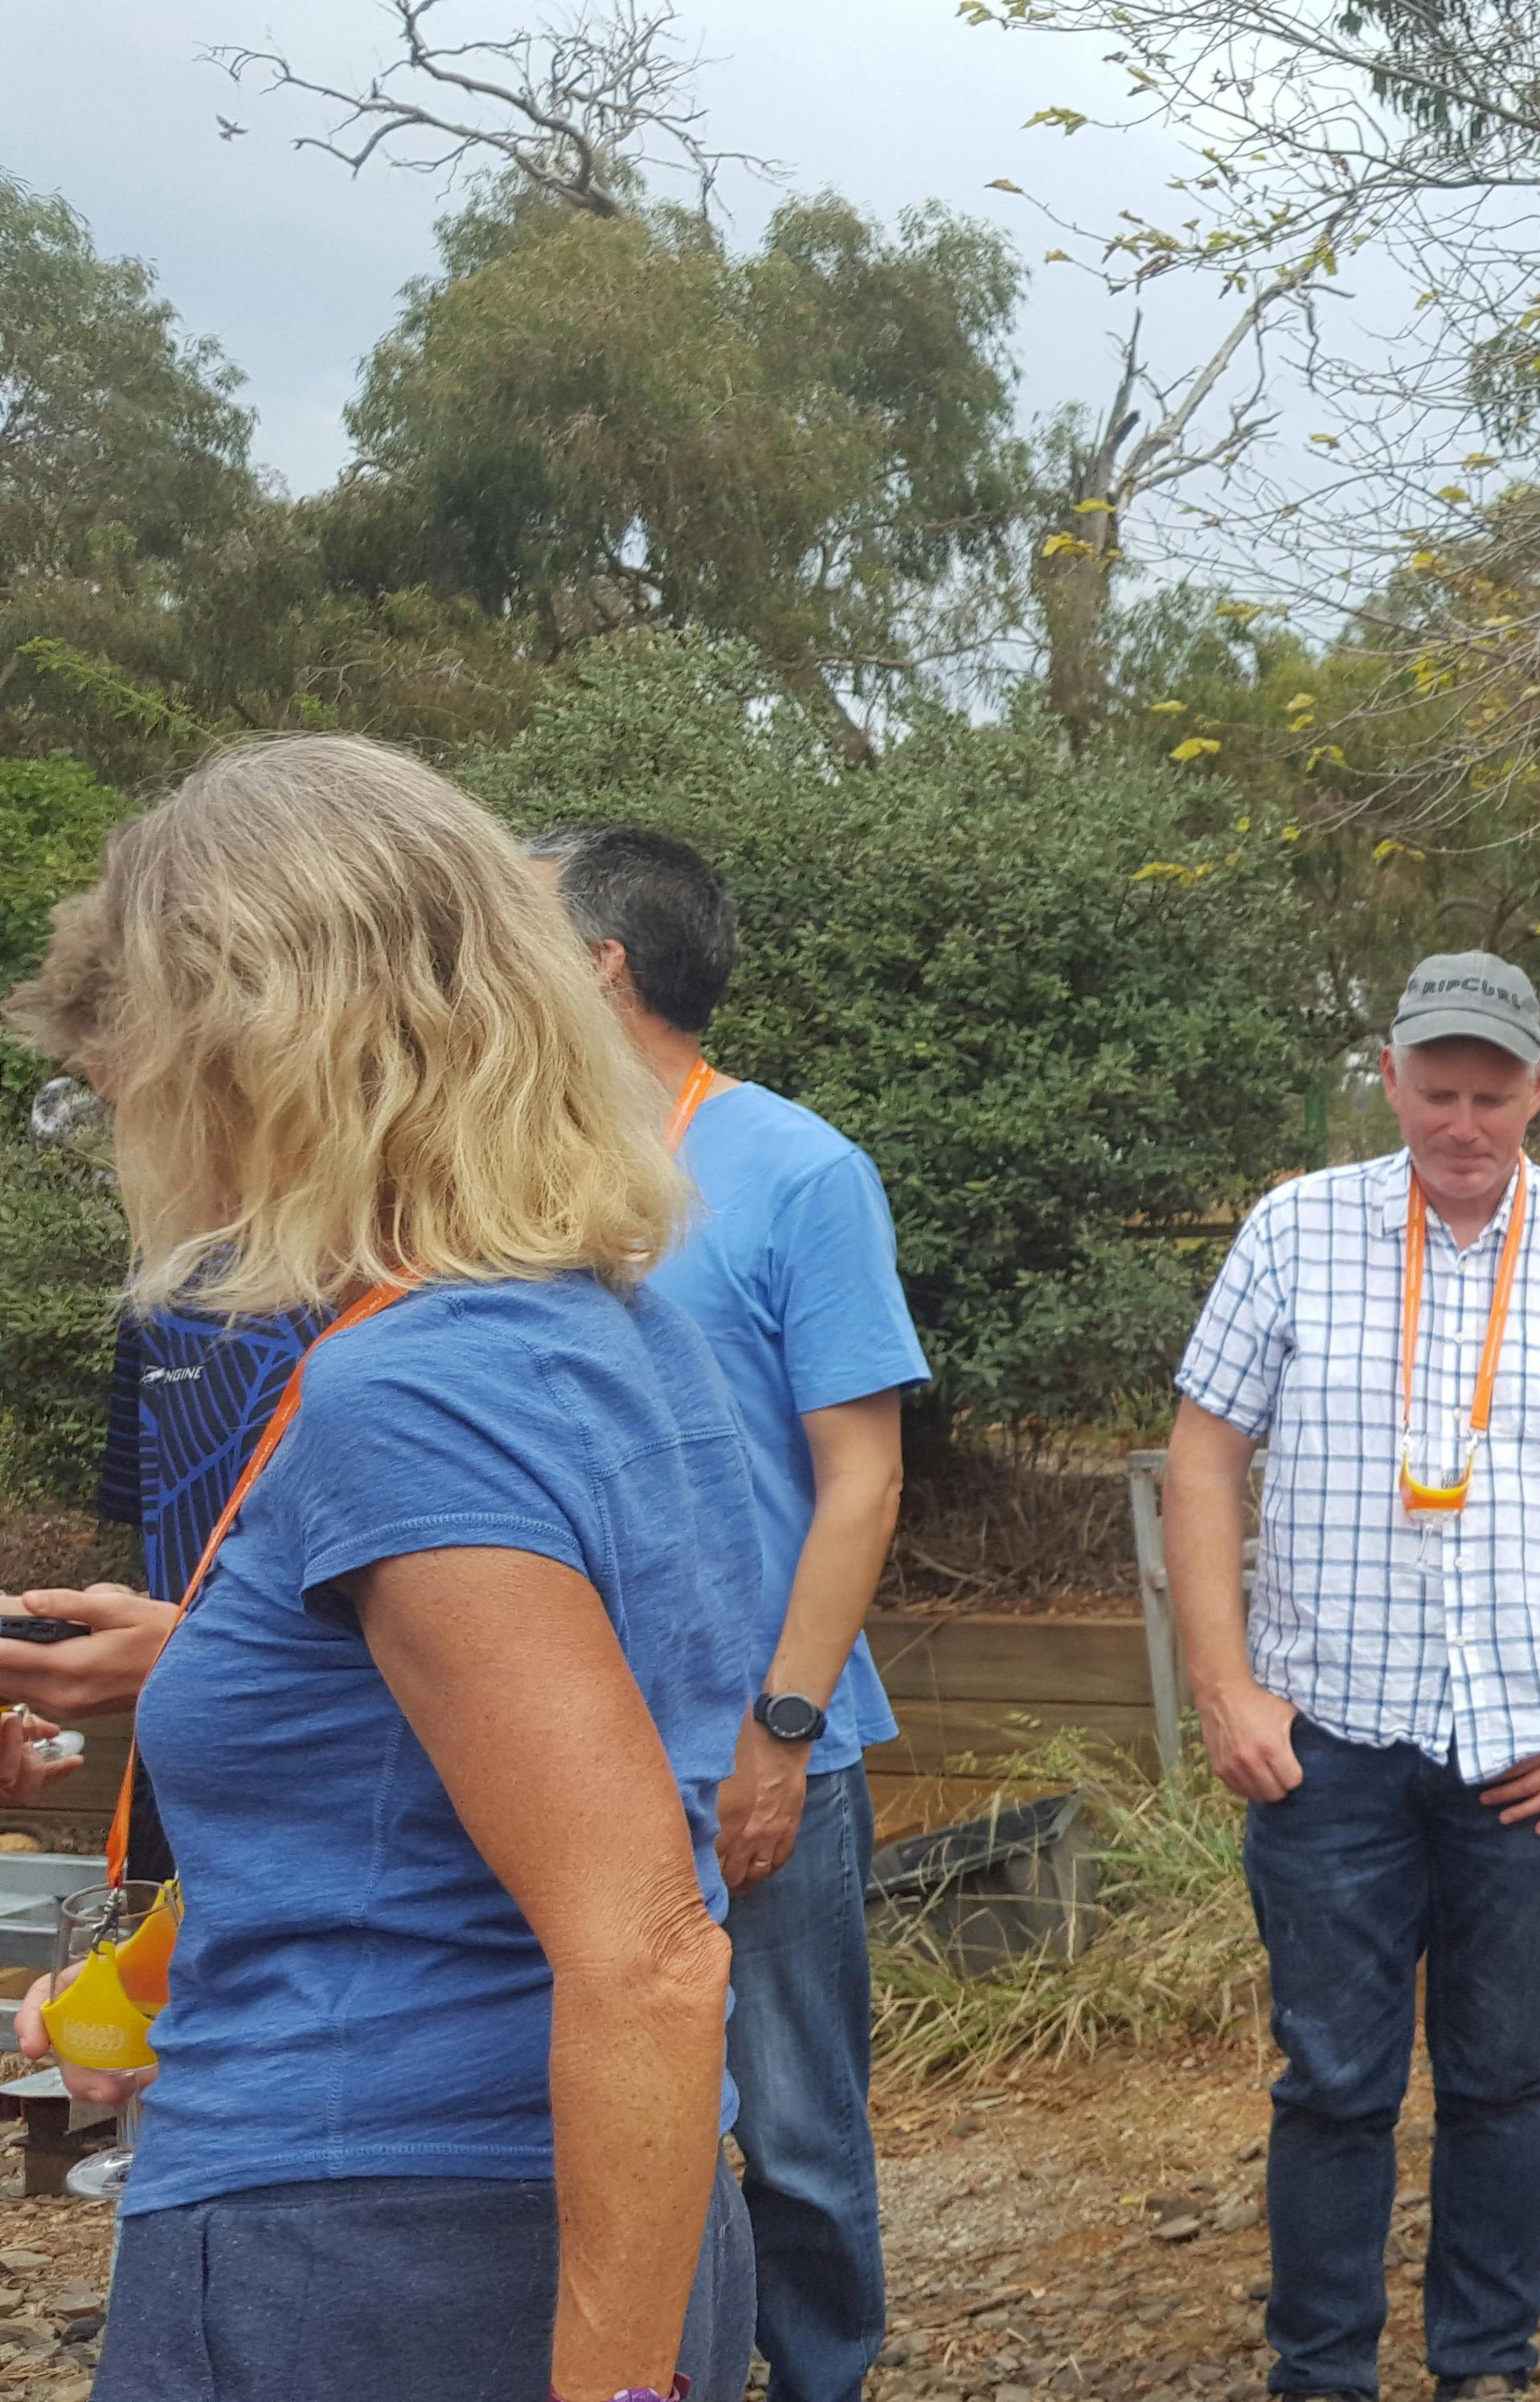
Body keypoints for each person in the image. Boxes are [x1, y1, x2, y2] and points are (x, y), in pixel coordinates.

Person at [4, 734, 760, 2402]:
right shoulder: (602, 1328)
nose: (124, 1125)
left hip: (378, 2249)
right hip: (524, 2215)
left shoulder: (409, 1389)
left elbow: (646, 1952)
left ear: (254, 1052)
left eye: (127, 1069)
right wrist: (158, 1988)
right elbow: (422, 1813)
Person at [1166, 950, 1540, 2402]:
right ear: (1391, 1079)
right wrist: (1224, 1686)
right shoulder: (1294, 1232)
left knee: (1501, 2078)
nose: (1461, 1125)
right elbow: (1204, 1458)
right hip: (1329, 1745)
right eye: (1436, 1092)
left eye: (1491, 1095)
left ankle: (1484, 2363)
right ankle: (1321, 2371)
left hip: (1528, 1750)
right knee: (1334, 2084)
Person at [534, 825, 926, 2402]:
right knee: (599, 2120)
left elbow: (863, 1482)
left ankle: (823, 2379)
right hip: (558, 1740)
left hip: (756, 1746)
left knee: (800, 2135)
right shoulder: (510, 1174)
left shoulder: (798, 1170)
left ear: (601, 966)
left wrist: (781, 1729)